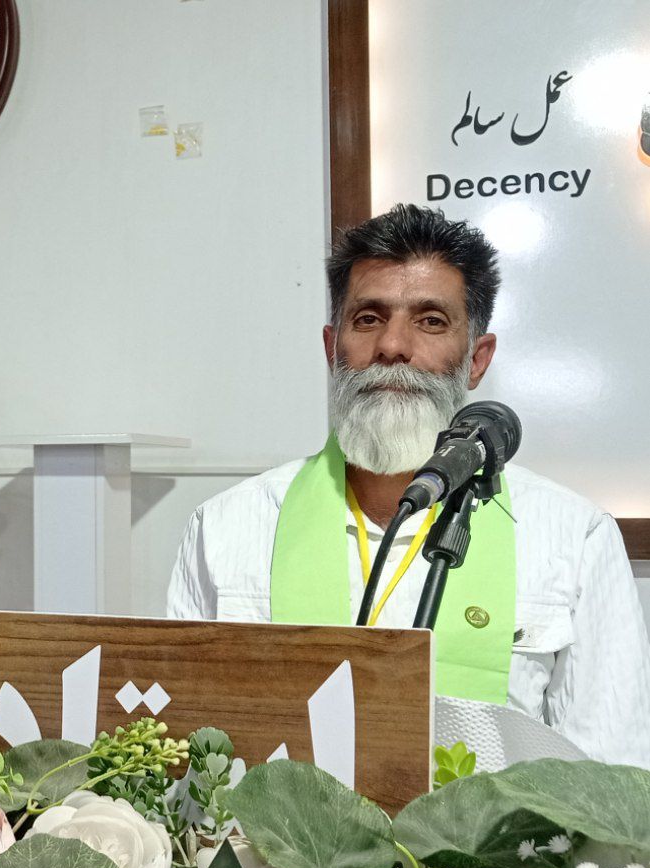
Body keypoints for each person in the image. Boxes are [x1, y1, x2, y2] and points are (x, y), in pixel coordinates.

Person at [165, 203, 650, 768]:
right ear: (332, 349)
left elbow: (611, 778)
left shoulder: (574, 536)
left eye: (431, 321)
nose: (393, 345)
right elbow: (183, 762)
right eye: (368, 318)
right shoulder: (226, 527)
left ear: (477, 360)